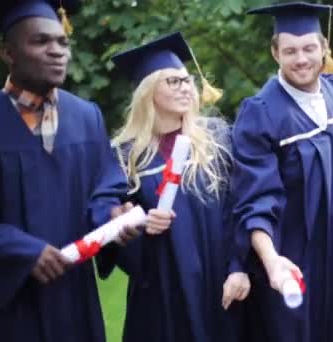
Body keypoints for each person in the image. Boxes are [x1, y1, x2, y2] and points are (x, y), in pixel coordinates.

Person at [230, 2, 333, 342]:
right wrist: (271, 261)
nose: (301, 59)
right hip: (294, 264)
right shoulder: (261, 114)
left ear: (325, 47)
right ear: (275, 53)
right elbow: (255, 200)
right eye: (290, 50)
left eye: (310, 48)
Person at [97, 32, 249, 342]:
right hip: (162, 292)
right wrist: (136, 222)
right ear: (148, 93)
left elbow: (239, 207)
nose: (185, 87)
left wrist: (239, 267)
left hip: (219, 285)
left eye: (187, 80)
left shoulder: (217, 138)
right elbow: (110, 222)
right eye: (172, 81)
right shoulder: (125, 157)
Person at [0, 1, 128, 341]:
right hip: (11, 303)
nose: (57, 52)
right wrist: (22, 251)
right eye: (40, 42)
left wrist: (113, 217)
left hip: (75, 299)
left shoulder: (88, 117)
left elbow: (105, 190)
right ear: (8, 53)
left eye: (62, 42)